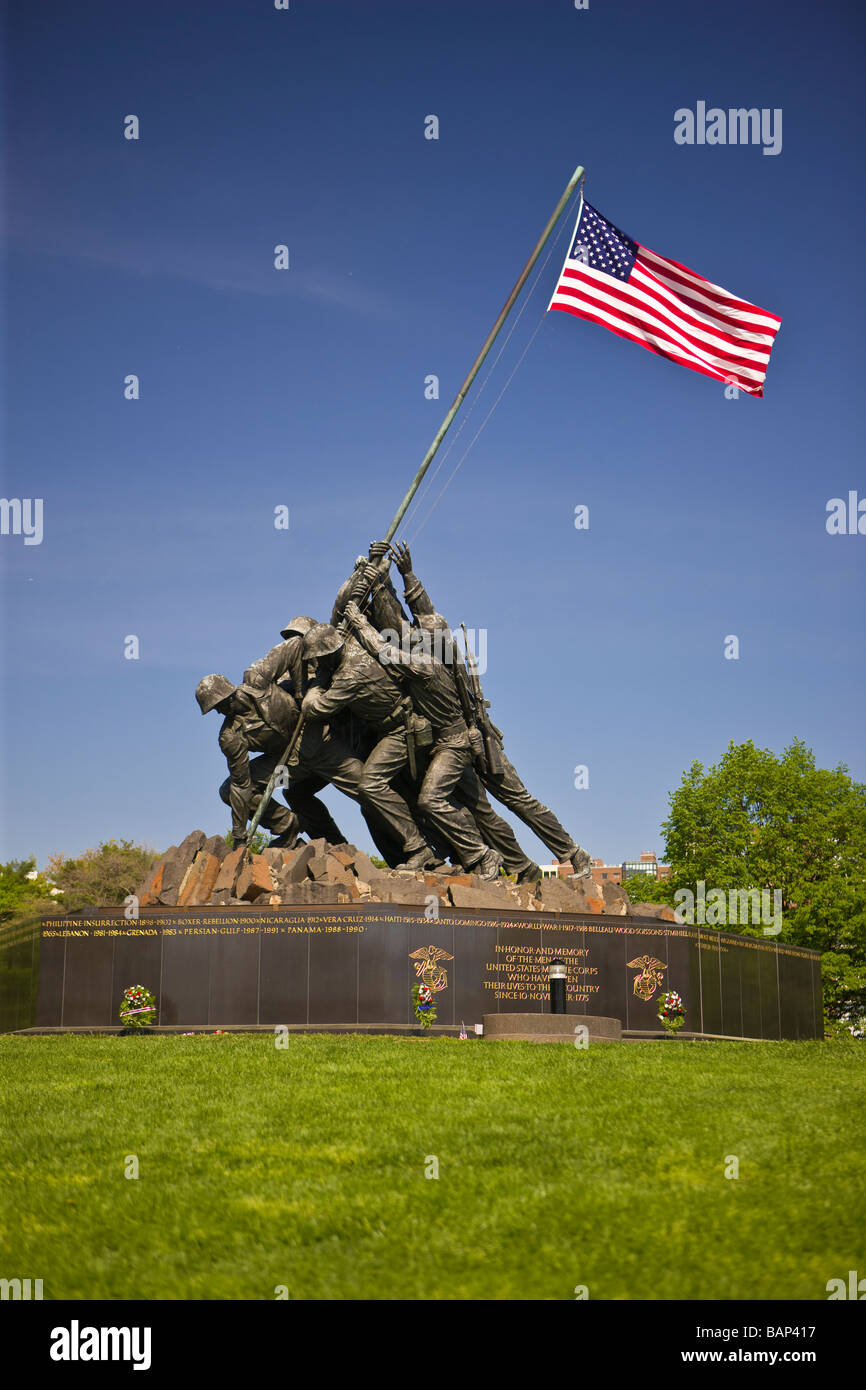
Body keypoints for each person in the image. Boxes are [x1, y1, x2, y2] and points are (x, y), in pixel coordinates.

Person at [342, 600, 503, 881]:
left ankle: (481, 853)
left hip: (454, 745)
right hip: (443, 743)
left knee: (431, 799)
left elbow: (384, 651)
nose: (411, 637)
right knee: (440, 801)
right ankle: (443, 849)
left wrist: (359, 622)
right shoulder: (436, 662)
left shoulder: (426, 666)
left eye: (418, 637)